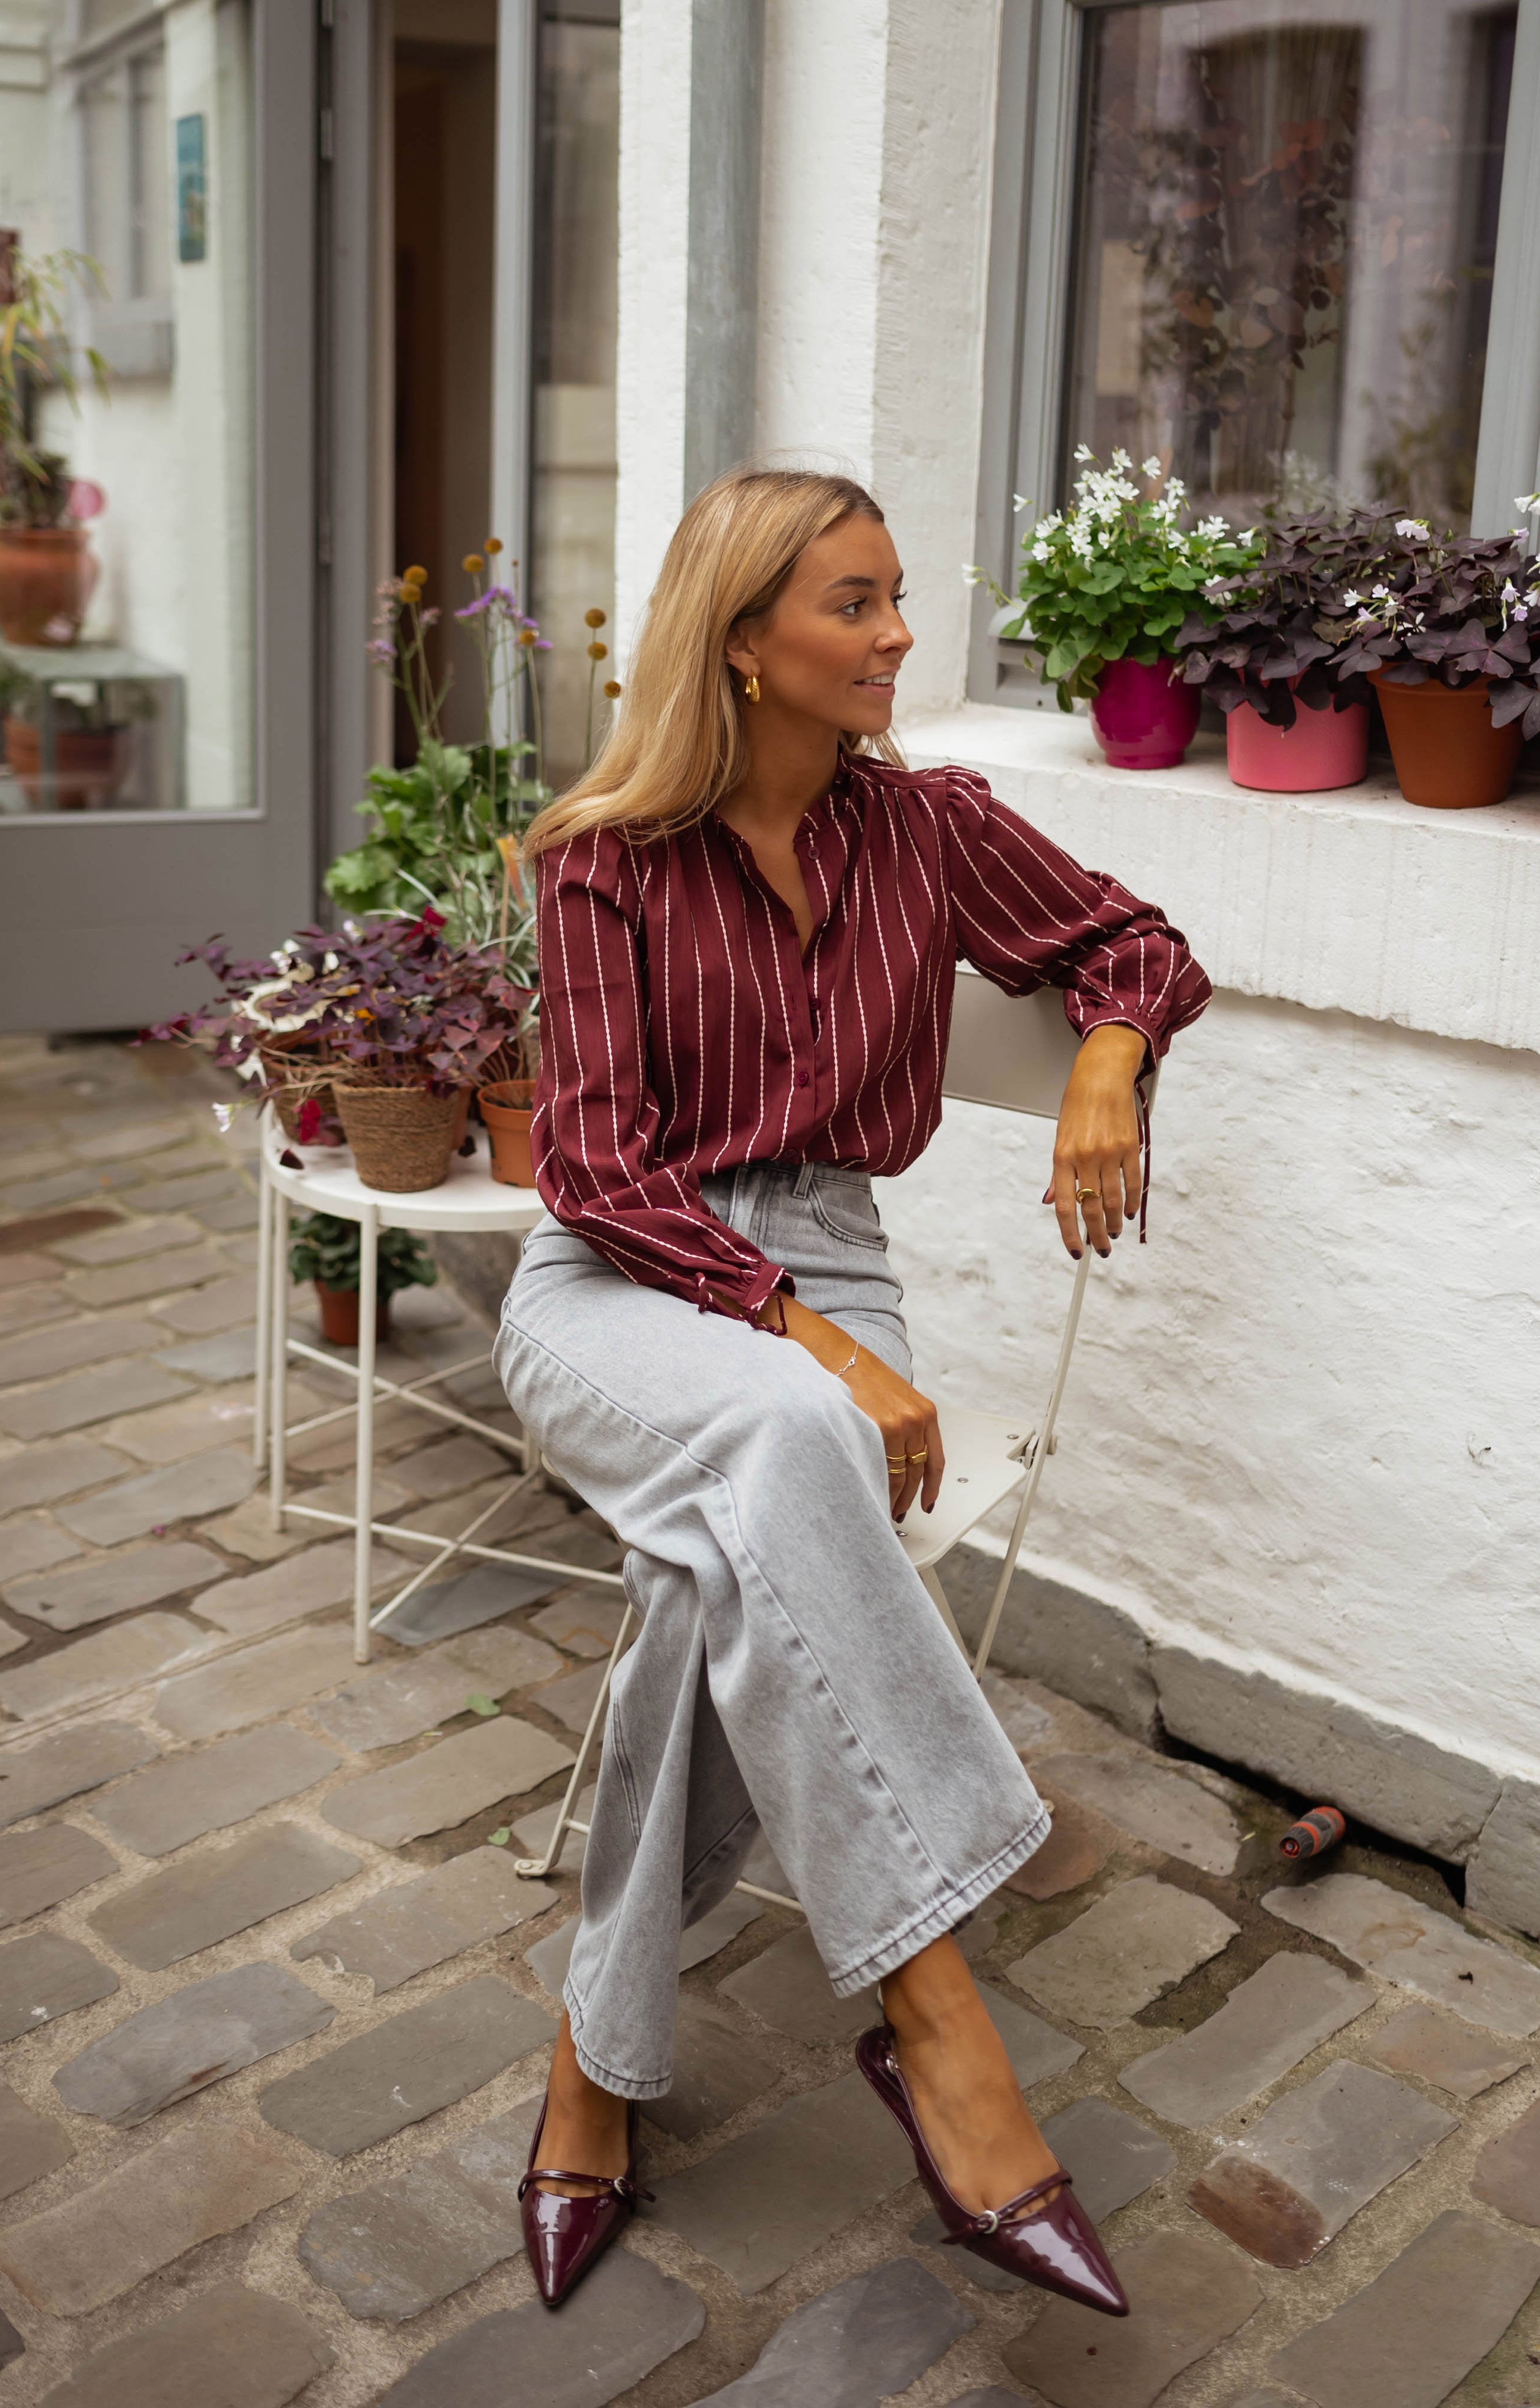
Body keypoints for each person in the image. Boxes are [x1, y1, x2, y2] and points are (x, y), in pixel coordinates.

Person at [495, 466, 1210, 2314]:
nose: (903, 635)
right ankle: (937, 2007)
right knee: (789, 1434)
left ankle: (598, 2061)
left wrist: (1104, 1070)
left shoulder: (933, 831)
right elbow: (588, 1164)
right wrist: (802, 1338)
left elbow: (1139, 945)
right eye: (857, 604)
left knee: (707, 1573)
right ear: (744, 644)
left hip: (833, 1250)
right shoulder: (602, 855)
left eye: (898, 597)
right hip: (624, 1282)